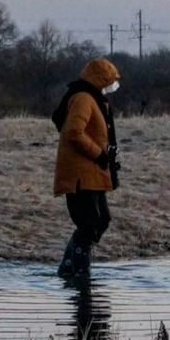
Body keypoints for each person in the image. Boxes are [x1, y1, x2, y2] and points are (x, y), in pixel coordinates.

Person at [51, 57, 121, 278]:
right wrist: (99, 154)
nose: (112, 86)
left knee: (101, 220)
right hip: (81, 174)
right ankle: (78, 272)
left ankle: (71, 266)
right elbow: (74, 132)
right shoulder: (83, 98)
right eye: (109, 81)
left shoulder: (97, 99)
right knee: (89, 223)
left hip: (94, 172)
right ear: (99, 80)